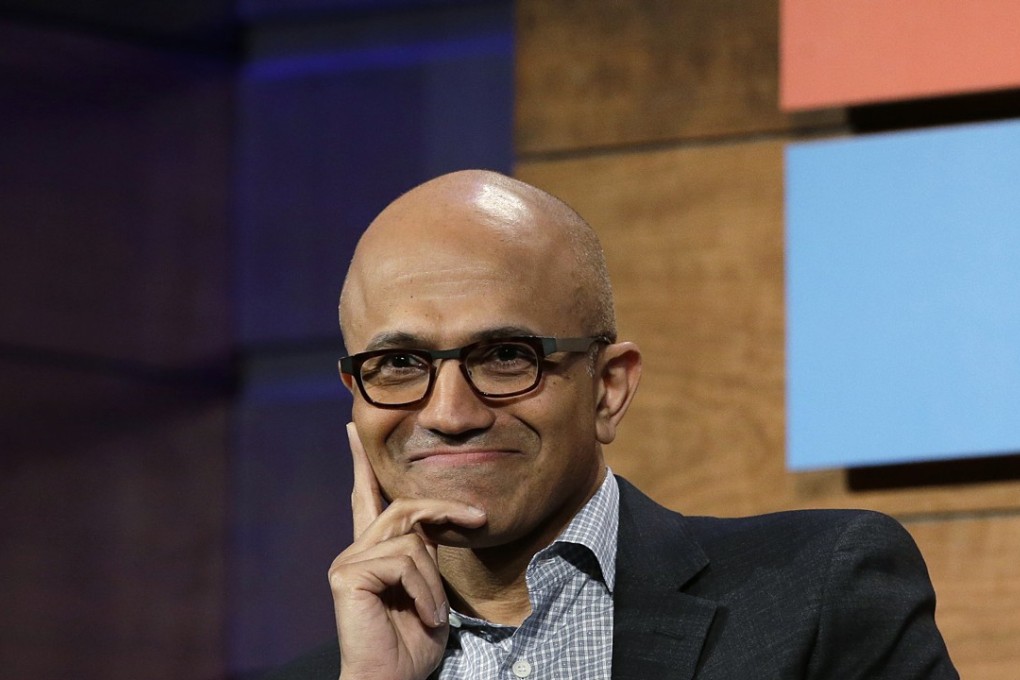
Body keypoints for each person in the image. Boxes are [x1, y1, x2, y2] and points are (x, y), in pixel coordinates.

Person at [265, 169, 958, 679]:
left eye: (507, 357)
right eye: (398, 363)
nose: (448, 413)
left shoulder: (817, 595)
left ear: (608, 390)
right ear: (355, 394)